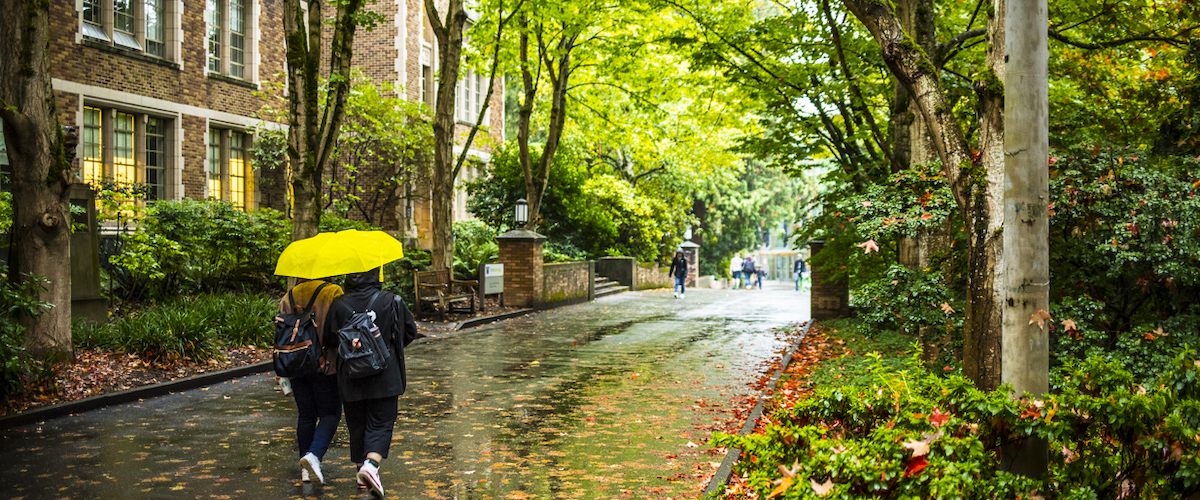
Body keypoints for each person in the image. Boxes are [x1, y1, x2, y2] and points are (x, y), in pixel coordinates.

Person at [328, 268, 420, 498]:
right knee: (381, 422)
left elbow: (329, 339)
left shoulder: (338, 304)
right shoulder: (391, 301)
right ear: (375, 276)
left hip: (350, 375)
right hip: (385, 375)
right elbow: (409, 333)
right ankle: (371, 464)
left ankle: (362, 475)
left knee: (357, 424)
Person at [278, 278, 345, 485]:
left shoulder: (288, 296)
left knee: (306, 414)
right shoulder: (332, 292)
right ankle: (313, 455)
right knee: (331, 413)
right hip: (326, 363)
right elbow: (339, 329)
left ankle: (306, 470)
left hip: (295, 363)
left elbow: (281, 332)